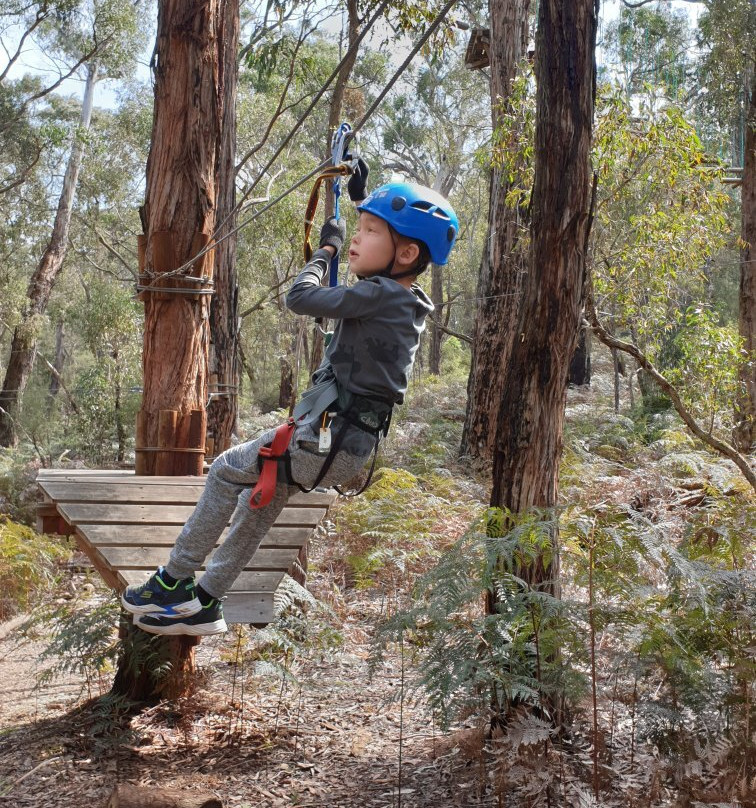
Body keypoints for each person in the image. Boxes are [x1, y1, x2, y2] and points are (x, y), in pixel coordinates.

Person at [121, 162, 458, 635]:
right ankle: (207, 601)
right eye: (359, 228)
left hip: (324, 440)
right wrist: (359, 199)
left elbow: (300, 297)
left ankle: (173, 581)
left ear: (405, 253)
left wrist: (326, 250)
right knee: (262, 498)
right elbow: (380, 262)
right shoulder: (404, 297)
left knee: (224, 470)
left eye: (369, 231)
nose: (357, 238)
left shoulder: (380, 295)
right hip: (342, 444)